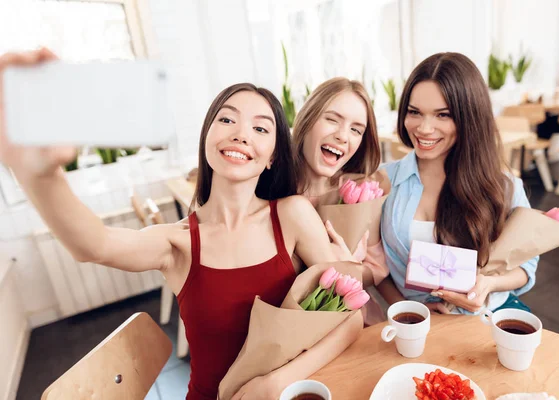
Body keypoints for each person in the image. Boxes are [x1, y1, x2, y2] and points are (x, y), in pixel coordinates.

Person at [0, 49, 362, 400]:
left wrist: (277, 383)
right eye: (226, 119)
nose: (241, 134)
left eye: (260, 128)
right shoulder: (178, 244)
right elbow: (93, 244)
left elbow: (351, 319)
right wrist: (39, 174)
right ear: (206, 138)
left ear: (273, 157)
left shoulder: (293, 215)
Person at [375, 52, 539, 315]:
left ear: (469, 118)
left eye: (443, 115)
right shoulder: (382, 182)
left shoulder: (504, 186)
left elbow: (527, 265)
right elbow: (376, 263)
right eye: (415, 112)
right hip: (416, 321)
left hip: (490, 317)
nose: (424, 128)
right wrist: (408, 308)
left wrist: (489, 284)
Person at [292, 77, 388, 324]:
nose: (343, 136)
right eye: (332, 119)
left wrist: (350, 269)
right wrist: (343, 264)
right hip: (290, 328)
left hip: (355, 324)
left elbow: (376, 269)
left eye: (356, 130)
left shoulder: (358, 196)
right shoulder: (271, 195)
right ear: (308, 119)